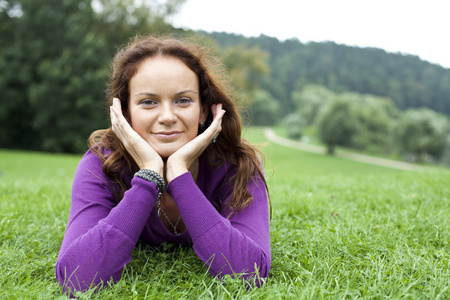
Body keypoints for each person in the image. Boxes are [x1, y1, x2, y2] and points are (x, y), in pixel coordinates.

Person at [55, 35, 271, 294]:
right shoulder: (100, 164)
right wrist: (148, 177)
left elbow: (249, 273)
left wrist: (179, 174)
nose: (167, 117)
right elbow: (77, 278)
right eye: (148, 102)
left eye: (183, 100)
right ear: (125, 113)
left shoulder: (237, 164)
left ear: (203, 110)